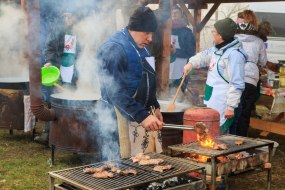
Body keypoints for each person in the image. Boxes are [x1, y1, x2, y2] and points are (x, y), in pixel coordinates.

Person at [96, 7, 163, 159]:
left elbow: (149, 78)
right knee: (117, 167)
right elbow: (115, 92)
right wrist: (143, 116)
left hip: (138, 115)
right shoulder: (114, 48)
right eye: (147, 33)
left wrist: (155, 105)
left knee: (140, 165)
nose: (150, 38)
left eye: (152, 33)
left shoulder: (144, 49)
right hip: (115, 118)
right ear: (135, 28)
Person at [184, 18, 247, 134]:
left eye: (214, 31)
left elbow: (237, 84)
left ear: (221, 35)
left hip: (225, 104)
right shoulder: (217, 49)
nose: (212, 33)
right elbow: (203, 56)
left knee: (223, 137)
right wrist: (190, 64)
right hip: (213, 100)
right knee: (211, 135)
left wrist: (230, 107)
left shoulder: (234, 55)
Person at [34, 9, 81, 144]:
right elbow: (49, 47)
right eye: (67, 17)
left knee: (72, 102)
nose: (69, 20)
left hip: (75, 70)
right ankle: (48, 135)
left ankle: (72, 134)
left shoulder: (81, 29)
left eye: (71, 18)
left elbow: (85, 50)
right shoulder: (57, 28)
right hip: (59, 69)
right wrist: (48, 60)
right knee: (54, 102)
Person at [230, 10, 267, 136]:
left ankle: (230, 140)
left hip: (234, 77)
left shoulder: (232, 39)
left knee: (232, 110)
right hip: (251, 79)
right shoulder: (259, 41)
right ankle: (241, 141)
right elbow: (263, 61)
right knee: (245, 112)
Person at [169, 5, 196, 99]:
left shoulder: (187, 32)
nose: (174, 15)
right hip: (167, 68)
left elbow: (192, 52)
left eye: (176, 13)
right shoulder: (166, 30)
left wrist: (176, 51)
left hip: (181, 68)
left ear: (181, 14)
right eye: (172, 13)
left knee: (178, 94)